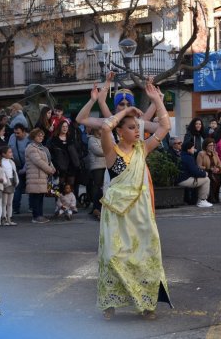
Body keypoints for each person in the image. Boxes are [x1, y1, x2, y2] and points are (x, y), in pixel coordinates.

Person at [97, 81, 172, 320]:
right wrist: (125, 112)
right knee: (113, 257)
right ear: (121, 131)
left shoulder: (143, 149)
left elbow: (165, 126)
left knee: (146, 255)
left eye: (136, 128)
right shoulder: (112, 152)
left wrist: (157, 100)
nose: (136, 131)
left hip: (140, 212)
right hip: (116, 214)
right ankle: (110, 302)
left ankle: (147, 304)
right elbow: (105, 129)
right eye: (131, 128)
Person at [25, 128, 56, 223]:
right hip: (35, 176)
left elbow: (47, 160)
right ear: (33, 136)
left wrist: (52, 167)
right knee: (36, 197)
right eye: (39, 135)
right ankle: (36, 216)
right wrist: (50, 170)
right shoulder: (31, 148)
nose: (41, 137)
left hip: (41, 176)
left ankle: (40, 215)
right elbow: (39, 162)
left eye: (42, 135)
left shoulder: (41, 147)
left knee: (40, 196)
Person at [176, 141, 213, 208]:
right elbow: (195, 172)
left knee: (204, 179)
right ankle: (202, 200)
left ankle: (200, 200)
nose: (194, 149)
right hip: (184, 180)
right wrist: (205, 173)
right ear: (188, 149)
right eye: (192, 148)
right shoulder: (188, 158)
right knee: (206, 179)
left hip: (181, 179)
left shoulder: (182, 155)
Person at [8, 123, 30, 214]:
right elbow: (9, 150)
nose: (16, 135)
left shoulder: (29, 140)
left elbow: (30, 157)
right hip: (16, 166)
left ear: (24, 132)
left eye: (18, 133)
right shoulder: (12, 137)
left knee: (30, 188)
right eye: (15, 133)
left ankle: (32, 207)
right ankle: (15, 208)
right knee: (17, 187)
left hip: (28, 166)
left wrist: (24, 169)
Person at [196, 137, 221, 204]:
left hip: (216, 172)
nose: (212, 147)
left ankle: (218, 196)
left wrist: (217, 168)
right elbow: (198, 166)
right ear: (206, 146)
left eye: (213, 145)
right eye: (210, 145)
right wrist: (209, 169)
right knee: (211, 179)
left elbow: (220, 164)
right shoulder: (201, 154)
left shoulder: (215, 154)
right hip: (207, 171)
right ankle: (211, 197)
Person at [47, 120, 74, 188]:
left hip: (71, 166)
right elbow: (49, 153)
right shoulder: (53, 139)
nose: (65, 128)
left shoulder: (71, 138)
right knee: (59, 188)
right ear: (59, 128)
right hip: (59, 167)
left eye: (66, 126)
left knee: (71, 187)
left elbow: (78, 150)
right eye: (63, 126)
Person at [86, 127, 106, 221]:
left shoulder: (104, 138)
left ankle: (101, 206)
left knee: (104, 186)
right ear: (96, 130)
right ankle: (95, 207)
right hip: (97, 166)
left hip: (105, 165)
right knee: (97, 187)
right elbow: (98, 151)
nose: (102, 131)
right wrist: (109, 150)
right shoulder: (91, 139)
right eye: (101, 129)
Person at [0, 145, 19, 226]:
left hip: (11, 182)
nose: (11, 153)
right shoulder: (1, 162)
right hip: (5, 182)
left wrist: (16, 180)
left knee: (10, 202)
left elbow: (14, 172)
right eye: (9, 152)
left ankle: (9, 218)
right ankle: (3, 219)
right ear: (3, 154)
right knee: (4, 202)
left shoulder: (11, 162)